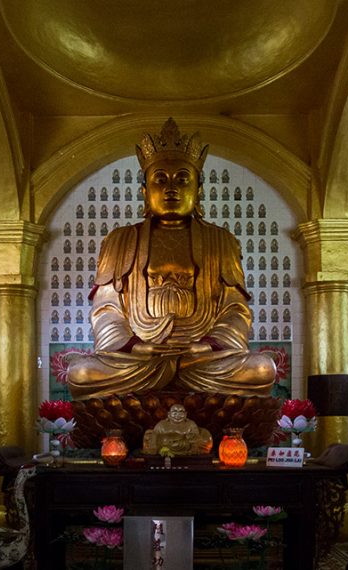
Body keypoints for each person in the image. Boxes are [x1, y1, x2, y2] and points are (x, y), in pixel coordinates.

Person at [67, 118, 276, 399]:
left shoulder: (221, 241)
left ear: (198, 190)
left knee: (262, 369)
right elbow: (106, 310)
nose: (171, 189)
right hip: (141, 361)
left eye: (182, 179)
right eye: (160, 179)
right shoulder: (120, 241)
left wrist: (206, 346)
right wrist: (134, 347)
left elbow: (235, 310)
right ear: (144, 190)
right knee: (80, 373)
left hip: (200, 362)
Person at [141, 404, 212, 455]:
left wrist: (190, 438)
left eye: (181, 412)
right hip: (165, 447)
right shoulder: (162, 424)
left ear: (185, 414)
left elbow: (196, 437)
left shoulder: (190, 424)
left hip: (185, 447)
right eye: (174, 412)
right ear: (169, 414)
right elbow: (154, 436)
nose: (177, 415)